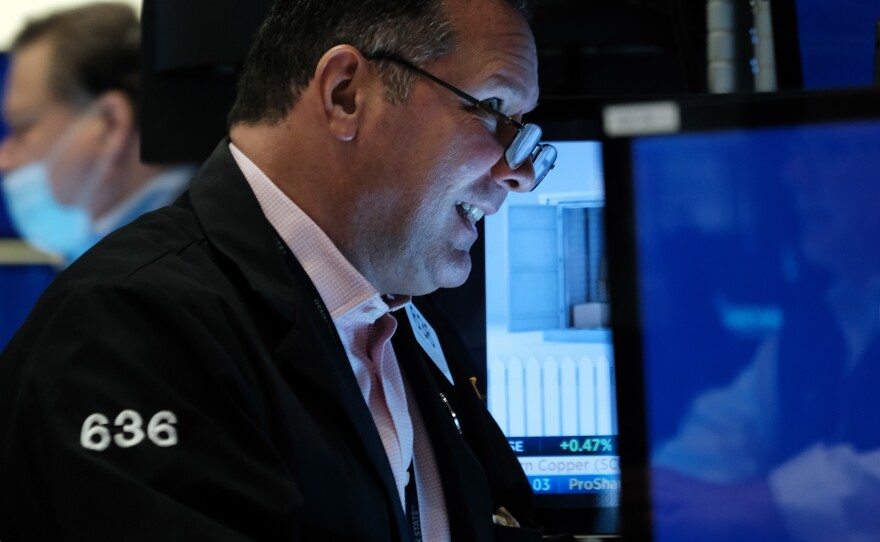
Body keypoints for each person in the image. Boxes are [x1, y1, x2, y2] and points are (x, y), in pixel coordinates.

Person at [0, 0, 559, 540]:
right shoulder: (125, 328)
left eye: (524, 129)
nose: (522, 172)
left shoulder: (406, 326)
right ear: (345, 93)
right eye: (492, 109)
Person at [651, 125, 880, 542]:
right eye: (798, 154)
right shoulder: (825, 317)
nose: (795, 175)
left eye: (830, 150)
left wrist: (769, 503)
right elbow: (729, 429)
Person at [0, 2, 194, 264]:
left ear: (110, 124)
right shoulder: (117, 263)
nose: (4, 160)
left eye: (23, 128)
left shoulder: (180, 269)